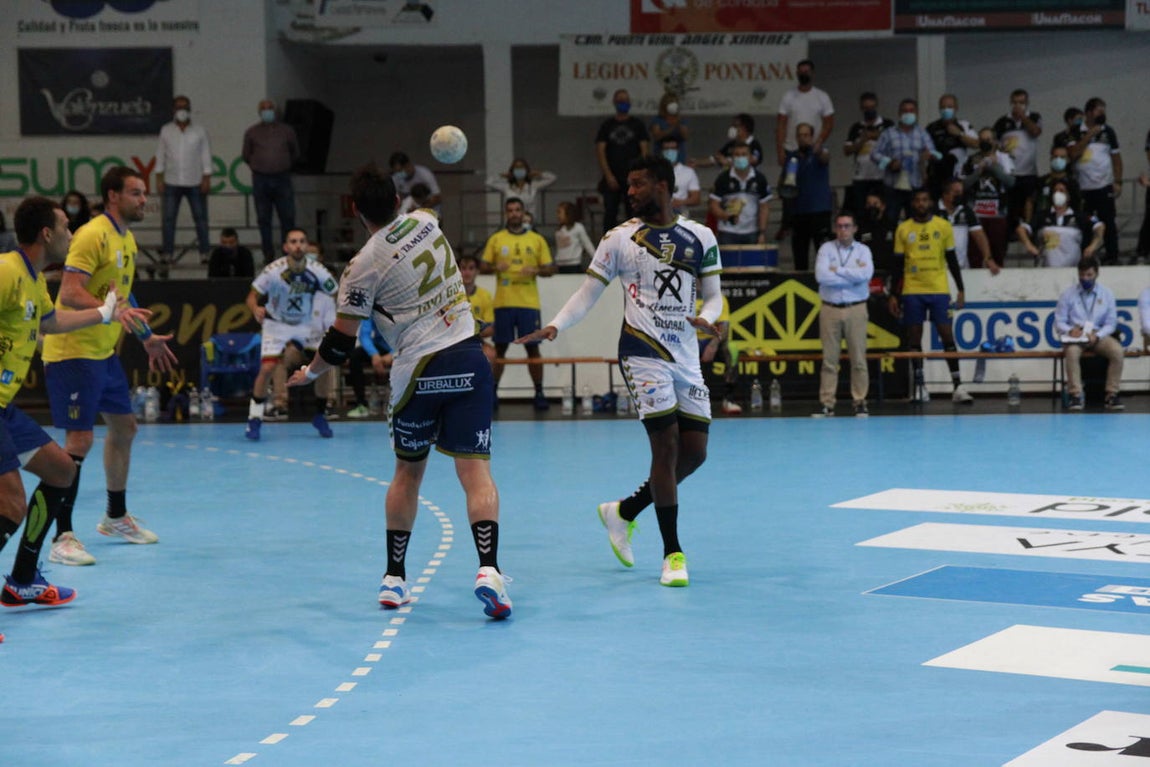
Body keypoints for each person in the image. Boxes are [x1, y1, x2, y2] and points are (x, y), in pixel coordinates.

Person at [287, 163, 512, 619]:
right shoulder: (427, 222)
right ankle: (489, 571)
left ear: (353, 210)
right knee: (476, 474)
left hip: (415, 372)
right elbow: (426, 207)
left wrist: (309, 373)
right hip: (468, 360)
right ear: (396, 200)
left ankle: (394, 579)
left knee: (407, 475)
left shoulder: (360, 267)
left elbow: (340, 342)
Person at [516, 155, 723, 589]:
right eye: (627, 186)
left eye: (637, 184)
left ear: (663, 187)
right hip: (641, 350)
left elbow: (714, 297)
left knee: (695, 453)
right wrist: (556, 325)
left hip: (685, 354)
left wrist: (708, 316)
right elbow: (587, 294)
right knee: (664, 448)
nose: (628, 192)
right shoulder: (619, 238)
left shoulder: (700, 236)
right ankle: (673, 554)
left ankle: (624, 512)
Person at [0, 196, 151, 622]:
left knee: (62, 471)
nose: (71, 234)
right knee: (11, 505)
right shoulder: (8, 270)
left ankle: (22, 582)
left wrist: (104, 313)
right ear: (46, 233)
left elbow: (51, 322)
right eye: (65, 227)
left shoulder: (33, 280)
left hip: (5, 408)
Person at [42, 166, 177, 567]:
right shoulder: (92, 234)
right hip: (72, 351)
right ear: (113, 196)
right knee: (78, 442)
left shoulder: (126, 238)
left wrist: (146, 335)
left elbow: (122, 294)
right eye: (136, 193)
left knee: (125, 427)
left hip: (102, 352)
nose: (143, 200)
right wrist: (108, 310)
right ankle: (62, 535)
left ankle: (115, 517)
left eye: (144, 193)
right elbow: (68, 292)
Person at [244, 228, 338, 440]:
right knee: (267, 367)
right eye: (293, 241)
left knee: (324, 364)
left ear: (306, 246)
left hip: (305, 324)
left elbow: (335, 292)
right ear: (286, 247)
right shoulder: (273, 271)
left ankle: (320, 415)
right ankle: (254, 418)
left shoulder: (318, 270)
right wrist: (255, 309)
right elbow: (251, 296)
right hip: (276, 323)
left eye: (302, 241)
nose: (298, 245)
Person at [889, 188, 971, 404]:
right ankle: (920, 386)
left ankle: (958, 386)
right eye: (917, 200)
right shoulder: (903, 229)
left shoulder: (943, 226)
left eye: (925, 199)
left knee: (947, 335)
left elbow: (952, 259)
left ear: (931, 203)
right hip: (912, 291)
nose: (921, 203)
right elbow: (897, 265)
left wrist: (961, 288)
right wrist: (893, 295)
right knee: (914, 337)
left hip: (939, 290)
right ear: (912, 203)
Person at [480, 197, 555, 410]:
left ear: (523, 213)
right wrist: (496, 266)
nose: (514, 213)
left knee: (532, 350)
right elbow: (483, 266)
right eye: (510, 210)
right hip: (503, 303)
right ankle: (493, 393)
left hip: (528, 304)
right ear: (506, 214)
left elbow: (551, 269)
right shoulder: (496, 239)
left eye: (517, 210)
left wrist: (537, 270)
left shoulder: (536, 240)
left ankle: (539, 392)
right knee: (500, 349)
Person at [814, 211, 875, 418]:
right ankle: (827, 403)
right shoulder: (826, 249)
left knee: (858, 358)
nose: (843, 230)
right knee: (829, 360)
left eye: (847, 226)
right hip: (830, 308)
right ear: (835, 229)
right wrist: (851, 275)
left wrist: (837, 270)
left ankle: (860, 401)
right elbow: (822, 277)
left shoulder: (863, 250)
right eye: (839, 226)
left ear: (855, 228)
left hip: (856, 308)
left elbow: (866, 275)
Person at [1054, 257, 1124, 411]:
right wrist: (1069, 330)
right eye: (1082, 275)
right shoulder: (1068, 294)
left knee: (1117, 352)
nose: (1085, 278)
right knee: (1071, 353)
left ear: (1096, 274)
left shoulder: (1107, 294)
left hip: (1097, 335)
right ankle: (1076, 395)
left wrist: (1098, 335)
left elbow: (1111, 323)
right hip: (1076, 336)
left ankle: (1111, 394)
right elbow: (1059, 321)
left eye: (1089, 275)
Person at [155, 95, 213, 265]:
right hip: (171, 182)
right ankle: (168, 253)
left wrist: (206, 177)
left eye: (185, 108)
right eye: (179, 107)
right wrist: (159, 177)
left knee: (201, 219)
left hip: (195, 181)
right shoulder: (166, 130)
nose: (182, 111)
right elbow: (160, 155)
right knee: (168, 220)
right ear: (173, 110)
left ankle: (205, 253)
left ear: (189, 110)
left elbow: (206, 155)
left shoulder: (200, 131)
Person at [242, 99, 300, 263]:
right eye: (264, 109)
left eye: (270, 108)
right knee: (263, 218)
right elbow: (246, 155)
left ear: (276, 110)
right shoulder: (251, 132)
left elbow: (295, 152)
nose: (267, 111)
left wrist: (282, 163)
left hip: (282, 178)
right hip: (261, 179)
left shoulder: (287, 131)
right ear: (259, 112)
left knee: (287, 217)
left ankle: (288, 252)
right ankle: (268, 253)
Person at [871, 99, 942, 224]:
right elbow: (874, 154)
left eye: (911, 110)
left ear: (916, 113)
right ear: (899, 113)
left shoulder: (922, 133)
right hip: (893, 186)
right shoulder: (888, 133)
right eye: (905, 111)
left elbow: (934, 153)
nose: (908, 113)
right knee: (890, 221)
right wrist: (889, 162)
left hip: (915, 186)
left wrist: (930, 156)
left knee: (915, 221)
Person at [1070, 98, 1122, 265]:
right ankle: (1086, 256)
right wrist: (1089, 135)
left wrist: (1118, 181)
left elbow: (1116, 157)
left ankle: (1112, 256)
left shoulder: (1109, 132)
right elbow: (1072, 154)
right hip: (1084, 188)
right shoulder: (1076, 130)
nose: (1102, 113)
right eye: (1099, 110)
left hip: (1104, 186)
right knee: (1086, 223)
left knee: (1109, 222)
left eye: (1103, 110)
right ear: (1089, 112)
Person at [594, 89, 650, 234]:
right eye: (620, 101)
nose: (622, 103)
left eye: (625, 100)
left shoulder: (637, 124)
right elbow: (600, 151)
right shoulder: (607, 126)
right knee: (610, 213)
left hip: (632, 177)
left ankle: (635, 244)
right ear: (614, 103)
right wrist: (608, 176)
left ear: (630, 103)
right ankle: (608, 247)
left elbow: (644, 150)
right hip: (612, 176)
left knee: (634, 212)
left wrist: (640, 175)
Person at [1017, 179, 1103, 268]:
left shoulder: (1079, 216)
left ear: (1068, 196)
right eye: (1055, 191)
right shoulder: (1041, 216)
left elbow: (1100, 226)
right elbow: (1021, 229)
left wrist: (1093, 245)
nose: (1057, 194)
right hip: (1045, 268)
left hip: (1074, 268)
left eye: (1062, 191)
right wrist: (1029, 245)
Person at [961, 127, 1015, 269]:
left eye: (988, 139)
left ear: (995, 141)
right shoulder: (970, 160)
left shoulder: (1005, 158)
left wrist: (995, 167)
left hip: (997, 213)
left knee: (998, 253)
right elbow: (963, 185)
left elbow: (1011, 182)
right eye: (982, 139)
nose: (985, 142)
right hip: (976, 213)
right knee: (975, 255)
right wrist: (979, 170)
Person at [994, 89, 1044, 241]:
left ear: (1027, 103)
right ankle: (1010, 233)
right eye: (1015, 102)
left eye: (1021, 103)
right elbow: (994, 143)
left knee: (1030, 201)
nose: (1018, 106)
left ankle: (1030, 232)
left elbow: (1035, 132)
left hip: (1029, 171)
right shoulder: (1002, 122)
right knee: (1011, 205)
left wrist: (1023, 117)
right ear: (1011, 103)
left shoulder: (1034, 117)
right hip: (1010, 173)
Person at [785, 123, 833, 271]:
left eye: (806, 135)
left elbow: (825, 158)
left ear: (811, 137)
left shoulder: (819, 152)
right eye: (800, 135)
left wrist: (817, 149)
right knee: (800, 256)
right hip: (799, 212)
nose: (803, 138)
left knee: (823, 253)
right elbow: (785, 183)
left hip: (820, 211)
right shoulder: (792, 158)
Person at [708, 143, 772, 246]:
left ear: (750, 157)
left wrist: (762, 232)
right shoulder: (723, 178)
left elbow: (764, 207)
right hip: (727, 232)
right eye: (737, 155)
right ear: (732, 158)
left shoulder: (760, 179)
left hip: (752, 232)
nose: (740, 157)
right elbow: (714, 205)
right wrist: (726, 216)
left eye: (744, 154)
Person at [775, 59, 834, 168]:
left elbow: (829, 124)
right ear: (797, 74)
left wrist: (819, 141)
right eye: (801, 72)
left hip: (814, 149)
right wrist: (780, 151)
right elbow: (781, 126)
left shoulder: (822, 96)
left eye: (806, 71)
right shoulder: (788, 96)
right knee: (790, 181)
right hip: (791, 149)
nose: (804, 74)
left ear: (812, 73)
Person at [843, 92, 895, 214]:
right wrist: (862, 141)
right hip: (861, 177)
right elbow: (847, 150)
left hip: (882, 177)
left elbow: (895, 145)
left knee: (884, 210)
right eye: (866, 108)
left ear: (876, 106)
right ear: (861, 108)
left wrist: (876, 136)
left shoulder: (887, 124)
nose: (869, 111)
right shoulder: (856, 128)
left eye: (871, 107)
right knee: (861, 211)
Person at [925, 94, 978, 197]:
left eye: (949, 107)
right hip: (936, 175)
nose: (946, 110)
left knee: (956, 205)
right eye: (943, 107)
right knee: (937, 210)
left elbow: (976, 144)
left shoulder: (964, 125)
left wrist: (959, 134)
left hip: (957, 176)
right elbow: (923, 151)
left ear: (956, 108)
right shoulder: (931, 127)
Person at [939, 178, 995, 272]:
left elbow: (979, 236)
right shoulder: (932, 212)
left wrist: (988, 258)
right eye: (956, 192)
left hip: (962, 268)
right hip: (938, 269)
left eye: (961, 192)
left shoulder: (967, 211)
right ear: (945, 194)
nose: (960, 195)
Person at [344, 320, 392, 419]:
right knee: (354, 356)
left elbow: (410, 336)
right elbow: (364, 334)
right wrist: (374, 354)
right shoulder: (373, 307)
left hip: (403, 347)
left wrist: (393, 354)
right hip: (380, 347)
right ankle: (361, 405)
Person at [1024, 145, 1081, 226]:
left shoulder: (1072, 183)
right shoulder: (1041, 181)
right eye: (1056, 156)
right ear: (1051, 158)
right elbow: (1030, 201)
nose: (1058, 160)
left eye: (1062, 157)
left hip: (1066, 224)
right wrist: (1028, 223)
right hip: (1042, 224)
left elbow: (1077, 206)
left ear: (1067, 160)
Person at [459, 253, 496, 366]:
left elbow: (490, 329)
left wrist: (472, 329)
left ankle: (488, 384)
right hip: (453, 342)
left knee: (490, 354)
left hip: (476, 341)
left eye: (471, 268)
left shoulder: (485, 295)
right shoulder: (451, 296)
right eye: (463, 268)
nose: (467, 273)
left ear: (477, 271)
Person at [485, 158, 555, 217]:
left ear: (527, 170)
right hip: (512, 221)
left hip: (529, 222)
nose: (519, 170)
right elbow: (488, 182)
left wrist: (538, 173)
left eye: (521, 167)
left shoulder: (533, 185)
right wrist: (501, 175)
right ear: (512, 170)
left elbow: (552, 178)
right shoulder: (507, 186)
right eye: (517, 168)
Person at [692, 113, 763, 169]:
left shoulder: (754, 144)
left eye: (736, 126)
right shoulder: (730, 145)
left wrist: (727, 162)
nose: (732, 128)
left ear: (745, 128)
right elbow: (715, 159)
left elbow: (752, 161)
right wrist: (696, 162)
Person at [661, 137, 701, 218]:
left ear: (678, 151)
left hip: (681, 216)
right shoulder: (653, 172)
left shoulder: (688, 172)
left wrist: (681, 202)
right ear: (662, 151)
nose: (669, 152)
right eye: (666, 149)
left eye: (672, 148)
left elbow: (696, 199)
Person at [553, 201, 596, 274]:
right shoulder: (559, 229)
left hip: (573, 264)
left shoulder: (578, 227)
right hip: (560, 264)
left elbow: (588, 245)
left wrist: (597, 261)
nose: (557, 215)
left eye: (559, 212)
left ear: (568, 213)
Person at [649, 92, 690, 164]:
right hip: (660, 156)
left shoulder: (681, 120)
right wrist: (672, 127)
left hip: (679, 158)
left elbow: (685, 136)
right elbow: (657, 136)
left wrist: (678, 123)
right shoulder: (657, 120)